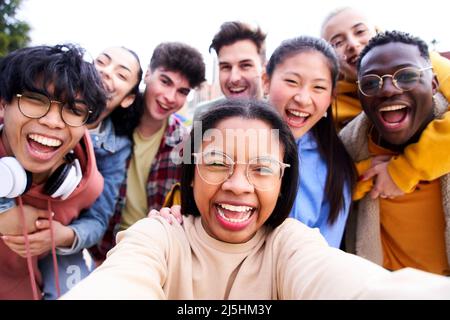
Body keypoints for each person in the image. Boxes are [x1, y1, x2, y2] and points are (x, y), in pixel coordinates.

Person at [62, 100, 450, 299]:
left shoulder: (291, 244)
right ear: (191, 169)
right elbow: (120, 282)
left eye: (262, 168)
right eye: (216, 162)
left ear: (284, 181)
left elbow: (358, 287)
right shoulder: (160, 236)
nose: (237, 184)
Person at [0, 44, 107, 299]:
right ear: (3, 105)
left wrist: (65, 236)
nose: (53, 121)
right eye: (36, 101)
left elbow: (98, 223)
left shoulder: (89, 183)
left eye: (73, 110)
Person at [340, 31, 450, 275]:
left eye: (407, 76)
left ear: (433, 83)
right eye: (370, 82)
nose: (388, 89)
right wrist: (358, 176)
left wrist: (403, 170)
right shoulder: (349, 148)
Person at [37, 46, 143, 299]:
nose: (106, 72)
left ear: (127, 98)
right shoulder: (38, 109)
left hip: (59, 241)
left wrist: (65, 235)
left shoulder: (117, 149)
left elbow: (98, 220)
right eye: (102, 62)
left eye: (121, 74)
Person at [321, 6, 450, 200]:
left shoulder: (420, 62)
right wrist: (366, 170)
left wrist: (405, 168)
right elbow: (325, 175)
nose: (353, 44)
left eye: (360, 31)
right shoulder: (329, 102)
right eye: (337, 42)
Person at [94, 42, 205, 261]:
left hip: (151, 252)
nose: (170, 97)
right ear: (147, 75)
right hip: (101, 248)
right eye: (165, 82)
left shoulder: (186, 143)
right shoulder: (109, 124)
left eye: (182, 91)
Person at [262, 36, 357, 248]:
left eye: (319, 88)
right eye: (292, 82)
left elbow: (325, 254)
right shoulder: (231, 142)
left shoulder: (336, 167)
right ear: (266, 81)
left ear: (331, 97)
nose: (303, 99)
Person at [193, 21, 266, 120]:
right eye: (226, 67)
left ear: (263, 68)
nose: (234, 78)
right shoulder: (203, 114)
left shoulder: (281, 115)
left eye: (245, 65)